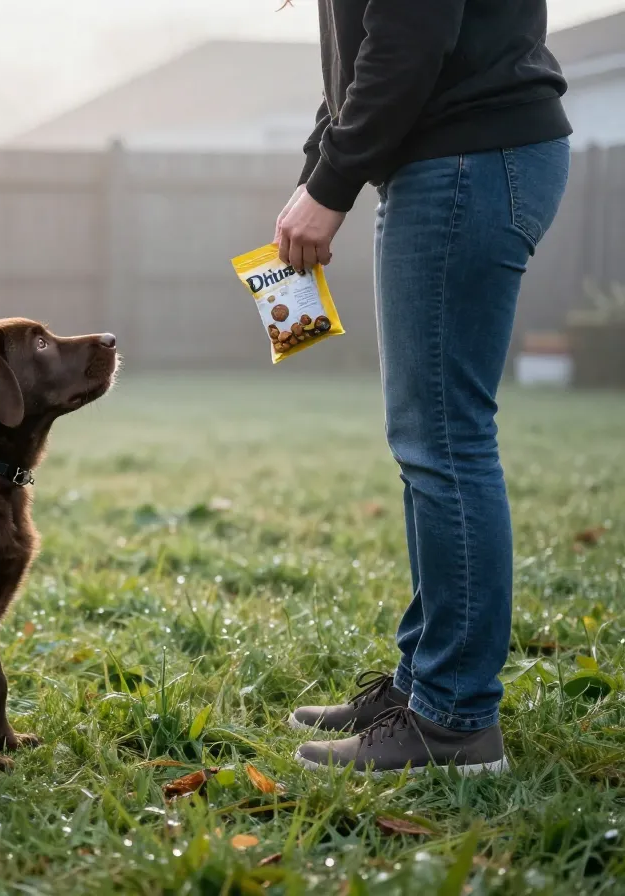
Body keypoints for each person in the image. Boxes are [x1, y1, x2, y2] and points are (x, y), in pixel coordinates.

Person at [276, 0, 571, 774]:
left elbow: (409, 37)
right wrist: (317, 171)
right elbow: (363, 55)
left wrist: (332, 183)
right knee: (428, 441)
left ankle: (454, 721)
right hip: (453, 161)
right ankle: (423, 687)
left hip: (470, 157)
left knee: (444, 440)